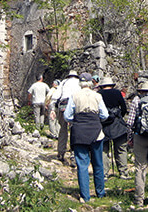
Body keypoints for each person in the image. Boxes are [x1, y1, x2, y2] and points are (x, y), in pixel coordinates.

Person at [64, 72, 109, 203]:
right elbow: (105, 115)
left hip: (79, 132)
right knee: (98, 163)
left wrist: (77, 119)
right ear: (90, 83)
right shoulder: (97, 96)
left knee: (82, 164)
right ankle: (100, 192)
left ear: (80, 83)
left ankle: (85, 195)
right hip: (96, 131)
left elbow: (67, 116)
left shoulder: (74, 96)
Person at [98, 76, 129, 179]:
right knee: (121, 149)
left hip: (104, 124)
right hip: (117, 124)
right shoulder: (117, 93)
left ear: (102, 85)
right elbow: (124, 108)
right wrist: (119, 116)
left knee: (104, 150)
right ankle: (123, 172)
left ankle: (104, 173)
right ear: (112, 85)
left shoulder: (99, 94)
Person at [51, 69, 81, 162]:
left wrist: (53, 109)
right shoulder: (79, 83)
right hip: (76, 106)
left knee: (62, 129)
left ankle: (61, 152)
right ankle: (73, 155)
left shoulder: (64, 82)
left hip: (63, 106)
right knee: (74, 131)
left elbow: (56, 96)